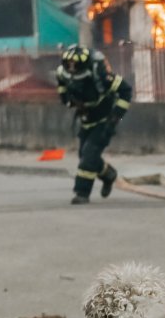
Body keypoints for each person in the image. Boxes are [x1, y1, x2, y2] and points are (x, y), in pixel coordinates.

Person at [55, 45, 132, 205]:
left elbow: (126, 90)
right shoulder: (63, 73)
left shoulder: (101, 75)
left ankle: (82, 193)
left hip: (105, 120)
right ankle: (109, 174)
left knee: (89, 155)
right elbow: (61, 85)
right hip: (86, 120)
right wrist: (66, 99)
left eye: (75, 64)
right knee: (85, 156)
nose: (71, 67)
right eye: (68, 64)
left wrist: (116, 117)